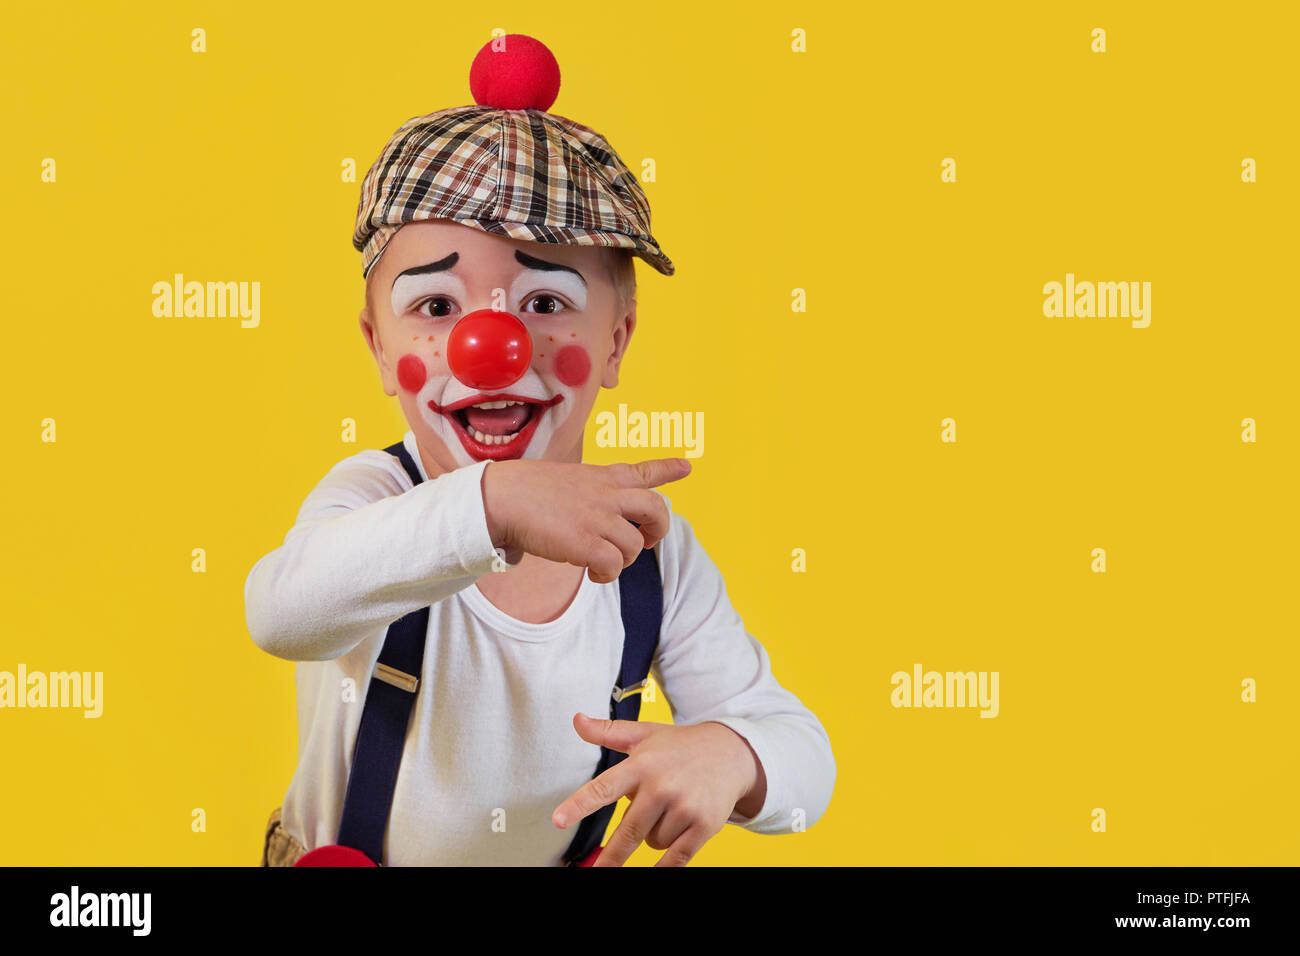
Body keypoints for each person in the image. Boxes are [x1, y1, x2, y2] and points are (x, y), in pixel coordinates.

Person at [245, 33, 835, 866]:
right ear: (381, 348)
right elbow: (281, 612)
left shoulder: (649, 555)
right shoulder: (376, 496)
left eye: (547, 299)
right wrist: (492, 507)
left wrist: (734, 758)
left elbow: (808, 758)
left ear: (617, 340)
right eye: (439, 305)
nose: (494, 345)